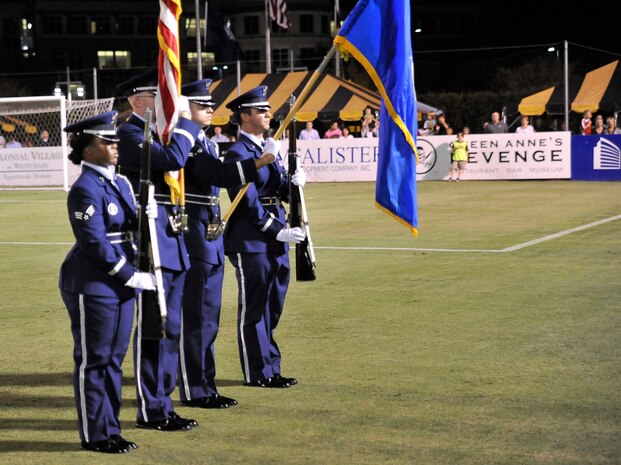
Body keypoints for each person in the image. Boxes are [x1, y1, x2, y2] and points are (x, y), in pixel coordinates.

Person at [59, 111, 157, 454]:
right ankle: (94, 435)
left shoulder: (120, 183)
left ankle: (110, 429)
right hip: (93, 284)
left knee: (113, 360)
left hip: (119, 284)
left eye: (116, 140)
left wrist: (149, 213)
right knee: (94, 360)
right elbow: (95, 244)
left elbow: (129, 231)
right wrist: (132, 275)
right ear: (87, 149)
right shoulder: (85, 188)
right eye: (107, 141)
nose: (115, 146)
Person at [178, 79, 275, 409]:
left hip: (209, 233)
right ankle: (196, 387)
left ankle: (205, 384)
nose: (209, 108)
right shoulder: (185, 141)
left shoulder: (201, 140)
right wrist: (257, 163)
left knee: (208, 317)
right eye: (200, 104)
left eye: (210, 104)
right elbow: (217, 174)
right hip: (195, 235)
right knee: (197, 317)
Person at [115, 70, 198, 432]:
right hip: (149, 240)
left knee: (172, 324)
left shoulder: (155, 132)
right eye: (158, 94)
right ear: (137, 102)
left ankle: (164, 402)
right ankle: (152, 407)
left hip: (171, 234)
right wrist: (185, 121)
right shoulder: (129, 132)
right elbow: (171, 159)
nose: (167, 99)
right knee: (154, 324)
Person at [222, 86, 306, 388]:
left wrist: (293, 184)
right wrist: (277, 230)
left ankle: (271, 366)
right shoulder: (238, 153)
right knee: (255, 307)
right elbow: (246, 203)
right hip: (251, 239)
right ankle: (257, 372)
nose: (268, 113)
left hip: (276, 236)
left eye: (268, 109)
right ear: (244, 117)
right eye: (261, 110)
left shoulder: (265, 149)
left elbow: (278, 190)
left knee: (273, 305)